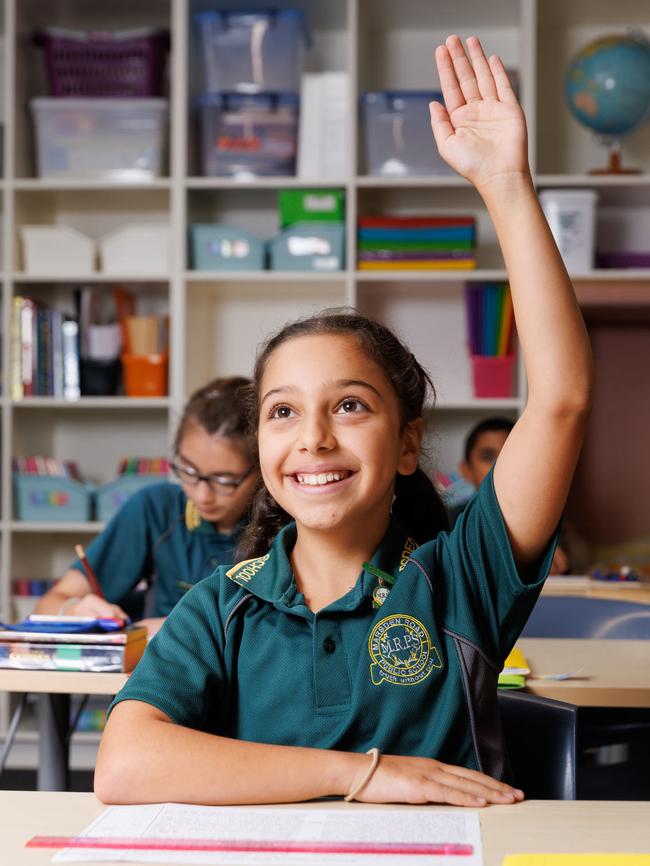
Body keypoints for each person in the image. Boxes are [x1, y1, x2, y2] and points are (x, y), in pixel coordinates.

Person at [95, 35, 593, 807]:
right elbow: (125, 767)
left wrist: (505, 185)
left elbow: (560, 397)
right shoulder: (221, 604)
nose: (314, 438)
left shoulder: (461, 579)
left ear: (407, 444)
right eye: (283, 412)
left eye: (350, 406)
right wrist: (363, 772)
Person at [35, 376, 259, 637]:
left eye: (224, 480)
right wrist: (74, 611)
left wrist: (181, 629)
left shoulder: (284, 525)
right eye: (188, 470)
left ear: (261, 469)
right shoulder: (156, 508)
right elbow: (46, 606)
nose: (201, 495)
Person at [457, 416, 569, 574]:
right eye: (488, 457)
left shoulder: (549, 522)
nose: (499, 465)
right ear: (466, 470)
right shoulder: (448, 521)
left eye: (510, 455)